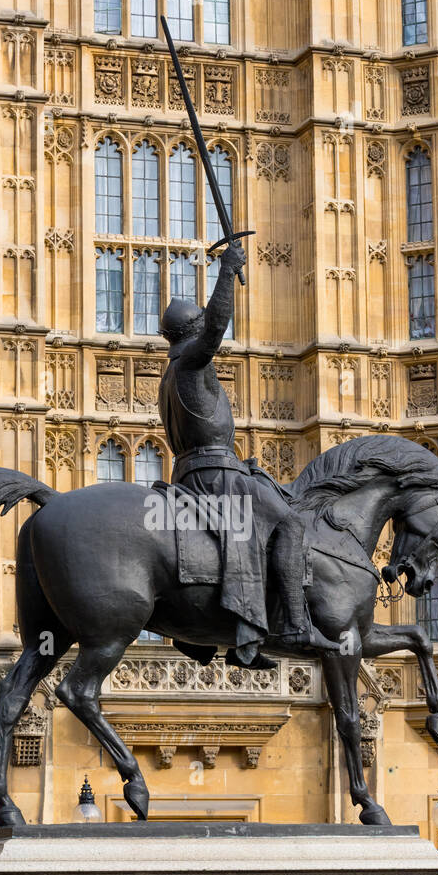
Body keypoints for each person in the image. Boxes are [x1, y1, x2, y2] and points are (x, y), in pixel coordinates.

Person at [158, 241, 340, 667]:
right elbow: (217, 326)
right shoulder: (189, 363)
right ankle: (295, 623)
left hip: (197, 472)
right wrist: (227, 271)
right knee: (291, 525)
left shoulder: (172, 372)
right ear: (192, 331)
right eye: (201, 326)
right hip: (214, 473)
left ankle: (242, 632)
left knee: (265, 520)